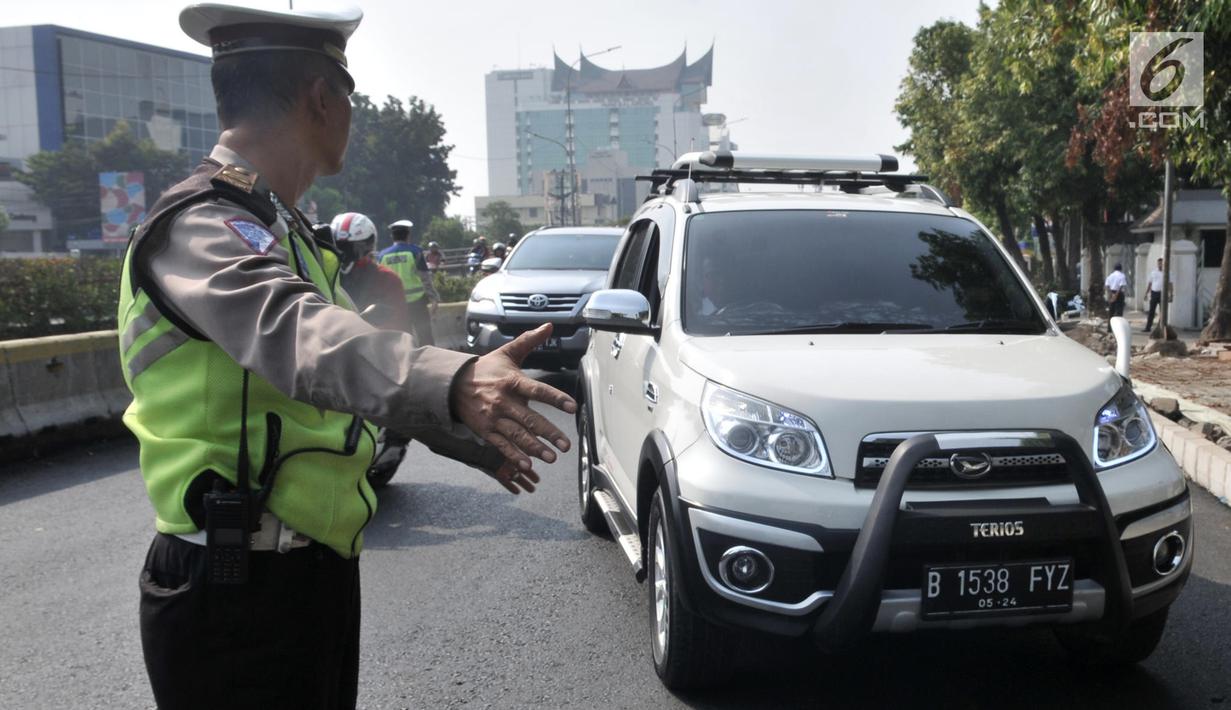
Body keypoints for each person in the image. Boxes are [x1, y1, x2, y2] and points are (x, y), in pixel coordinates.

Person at [121, 6, 575, 708]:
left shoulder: (282, 227)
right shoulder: (202, 223)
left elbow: (339, 377)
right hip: (234, 582)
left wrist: (468, 431)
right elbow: (300, 336)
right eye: (351, 98)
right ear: (321, 99)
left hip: (307, 568)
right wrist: (454, 378)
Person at [329, 211, 408, 331]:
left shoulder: (387, 279)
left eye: (351, 249)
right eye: (339, 247)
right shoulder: (325, 276)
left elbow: (397, 326)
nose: (344, 255)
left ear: (368, 247)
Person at [377, 218, 440, 346]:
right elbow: (425, 278)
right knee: (425, 337)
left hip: (394, 304)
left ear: (392, 236)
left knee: (403, 339)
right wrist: (434, 298)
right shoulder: (415, 251)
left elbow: (379, 281)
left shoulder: (382, 255)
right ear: (408, 235)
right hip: (417, 302)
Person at [1144, 257, 1173, 333]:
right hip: (1154, 293)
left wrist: (1171, 294)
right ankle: (1148, 327)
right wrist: (1146, 293)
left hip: (1163, 294)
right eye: (1159, 263)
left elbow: (1170, 284)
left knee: (1162, 312)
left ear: (1164, 264)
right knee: (1151, 311)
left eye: (1161, 263)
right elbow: (1150, 283)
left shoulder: (1168, 272)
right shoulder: (1153, 272)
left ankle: (1161, 328)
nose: (1160, 265)